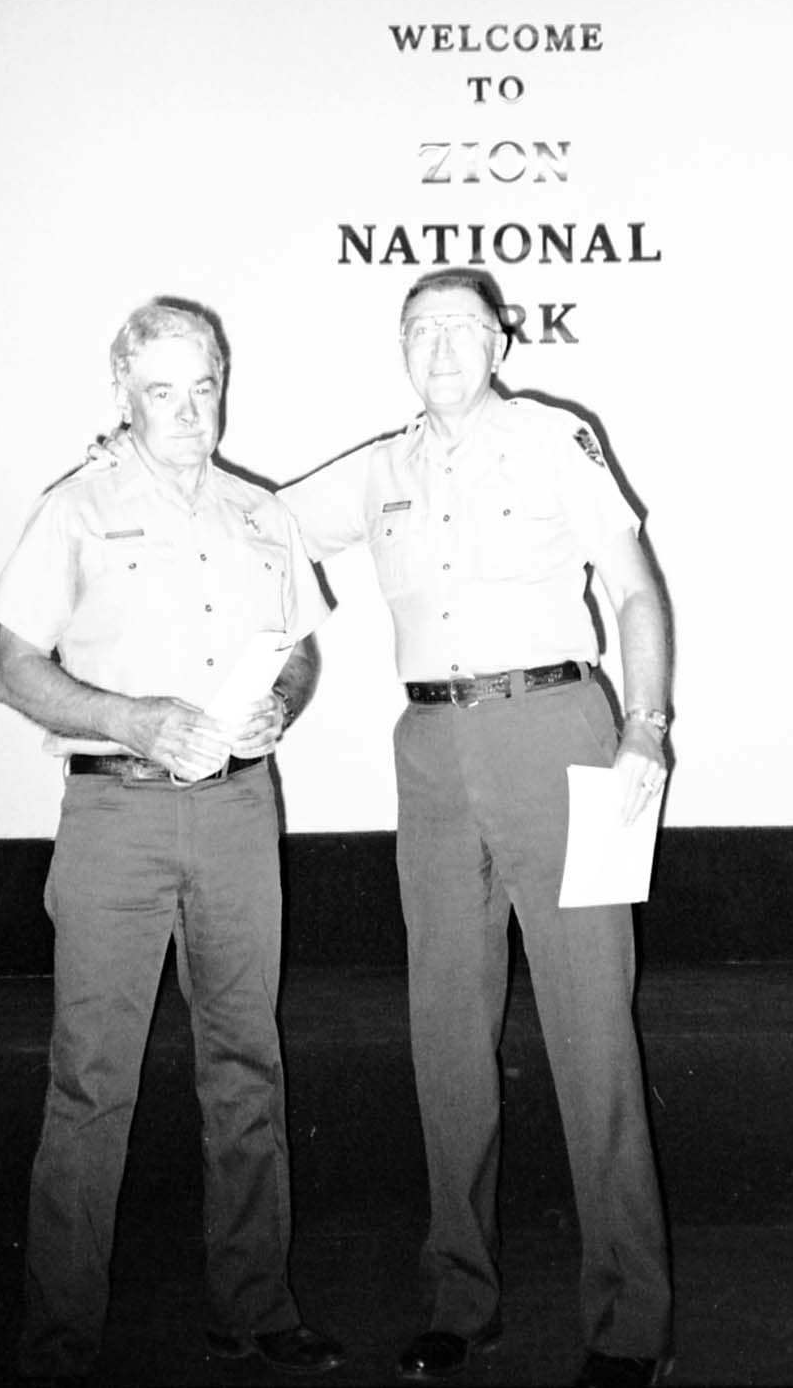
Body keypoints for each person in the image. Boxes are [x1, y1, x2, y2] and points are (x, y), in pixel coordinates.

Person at [280, 269, 675, 1388]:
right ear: (398, 348)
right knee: (446, 1030)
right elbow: (251, 523)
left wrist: (644, 728)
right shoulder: (377, 470)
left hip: (560, 730)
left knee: (594, 1031)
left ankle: (630, 1321)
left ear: (503, 337)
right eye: (421, 329)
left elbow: (638, 591)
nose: (442, 346)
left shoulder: (558, 439)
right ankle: (461, 1296)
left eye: (462, 326)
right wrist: (142, 459)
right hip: (433, 751)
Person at [0, 300, 345, 1387]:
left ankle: (254, 1309)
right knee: (90, 1079)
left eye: (203, 386)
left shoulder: (261, 512)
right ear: (123, 395)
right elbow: (12, 668)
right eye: (162, 391)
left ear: (225, 381)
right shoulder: (75, 509)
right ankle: (59, 1339)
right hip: (116, 816)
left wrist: (283, 702)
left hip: (239, 809)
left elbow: (301, 653)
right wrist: (133, 718)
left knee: (247, 1063)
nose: (188, 411)